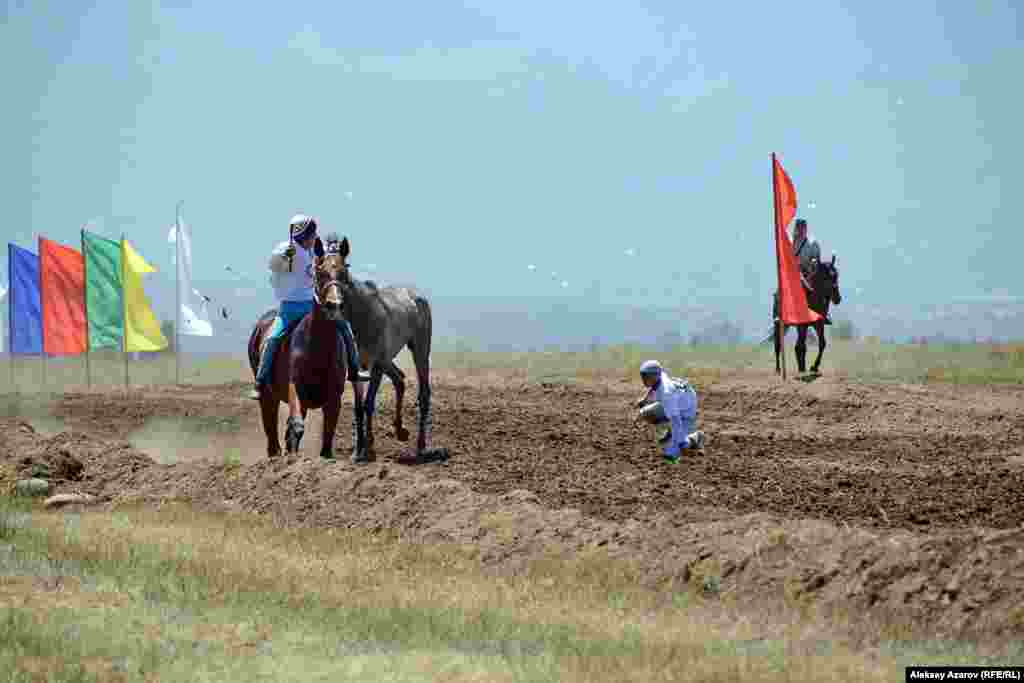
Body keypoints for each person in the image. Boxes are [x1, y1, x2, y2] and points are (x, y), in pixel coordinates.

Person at [248, 214, 371, 401]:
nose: (314, 238)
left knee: (345, 328)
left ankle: (354, 370)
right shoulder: (285, 249)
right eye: (311, 235)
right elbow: (272, 265)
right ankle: (260, 382)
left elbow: (328, 260)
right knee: (273, 338)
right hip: (289, 307)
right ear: (302, 236)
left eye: (313, 235)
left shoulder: (315, 250)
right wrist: (284, 258)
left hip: (312, 304)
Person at [633, 360, 705, 462]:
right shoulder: (659, 376)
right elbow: (653, 388)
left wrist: (682, 443)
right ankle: (671, 434)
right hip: (680, 399)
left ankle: (697, 437)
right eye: (643, 376)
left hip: (686, 410)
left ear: (655, 376)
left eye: (646, 377)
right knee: (645, 413)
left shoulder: (667, 394)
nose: (643, 380)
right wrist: (645, 400)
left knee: (671, 455)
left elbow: (675, 420)